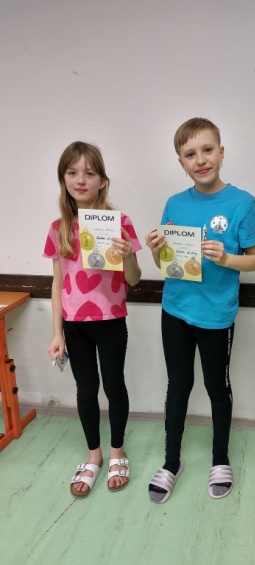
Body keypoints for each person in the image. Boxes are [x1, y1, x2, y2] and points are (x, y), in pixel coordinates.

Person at [145, 117, 255, 503]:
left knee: (217, 387)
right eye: (190, 154)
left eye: (207, 150)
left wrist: (227, 258)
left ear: (221, 152)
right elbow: (166, 261)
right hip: (175, 309)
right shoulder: (175, 204)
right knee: (178, 385)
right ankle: (171, 461)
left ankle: (220, 458)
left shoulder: (242, 202)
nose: (200, 160)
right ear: (181, 162)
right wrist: (155, 250)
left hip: (216, 315)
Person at [43, 141, 141, 498]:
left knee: (114, 386)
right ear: (63, 180)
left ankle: (117, 451)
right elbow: (58, 284)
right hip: (74, 325)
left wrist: (127, 254)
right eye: (72, 173)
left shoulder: (120, 223)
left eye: (89, 173)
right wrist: (57, 333)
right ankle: (94, 455)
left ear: (102, 181)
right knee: (85, 389)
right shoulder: (58, 228)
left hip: (111, 319)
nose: (80, 180)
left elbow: (133, 279)